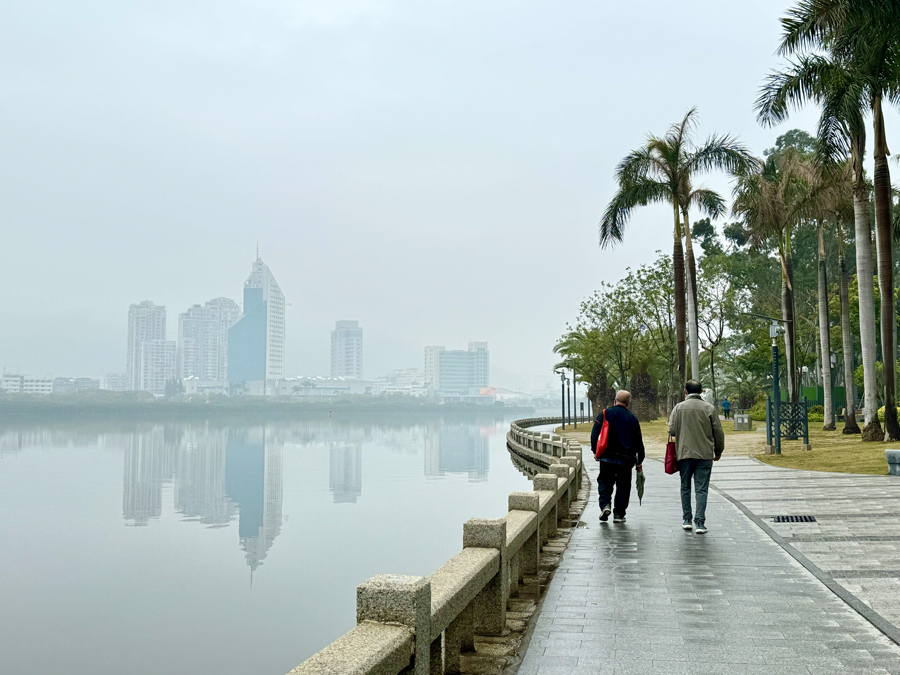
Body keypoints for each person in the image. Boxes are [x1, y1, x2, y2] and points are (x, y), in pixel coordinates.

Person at [668, 381, 725, 534]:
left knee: (685, 487)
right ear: (701, 391)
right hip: (705, 454)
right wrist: (718, 451)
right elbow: (718, 432)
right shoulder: (709, 408)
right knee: (702, 489)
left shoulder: (678, 408)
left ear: (685, 391)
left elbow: (672, 430)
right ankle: (700, 522)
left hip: (684, 453)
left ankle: (687, 519)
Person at [591, 390, 645, 523]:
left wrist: (595, 451)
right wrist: (639, 460)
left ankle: (605, 505)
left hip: (606, 457)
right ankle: (619, 514)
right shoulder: (632, 418)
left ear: (615, 400)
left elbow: (594, 434)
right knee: (623, 486)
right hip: (626, 460)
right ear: (628, 403)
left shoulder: (605, 414)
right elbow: (638, 442)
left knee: (604, 482)